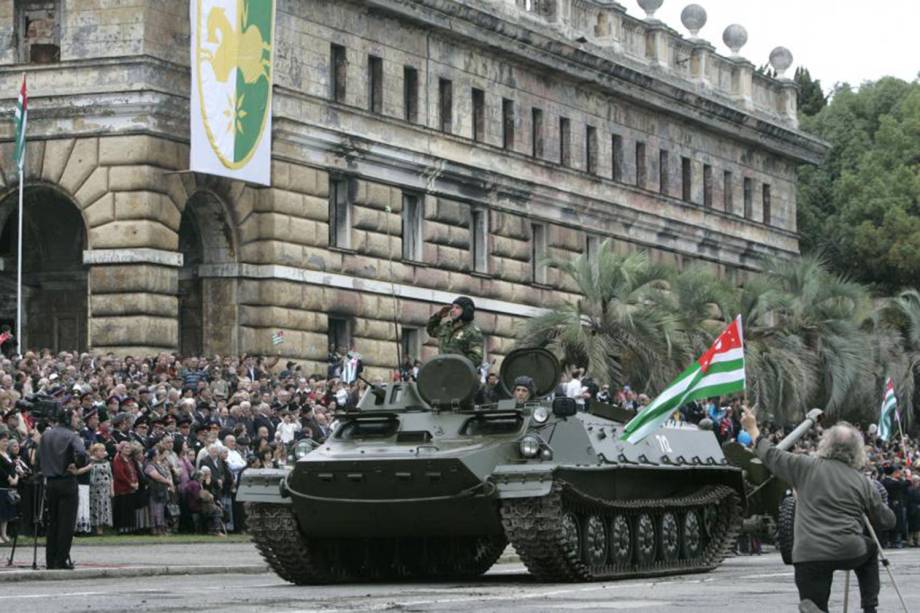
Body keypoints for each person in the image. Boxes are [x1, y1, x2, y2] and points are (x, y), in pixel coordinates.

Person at [740, 408, 895, 613]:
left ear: (826, 444)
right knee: (870, 550)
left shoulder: (804, 466)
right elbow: (887, 521)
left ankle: (815, 608)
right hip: (848, 548)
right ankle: (869, 607)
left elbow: (771, 455)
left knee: (814, 603)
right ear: (857, 451)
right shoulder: (862, 482)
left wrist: (752, 428)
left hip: (808, 554)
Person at [38, 406, 88, 569]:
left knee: (52, 522)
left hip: (50, 482)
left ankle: (50, 560)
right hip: (66, 480)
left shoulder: (46, 434)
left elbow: (38, 456)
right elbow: (81, 453)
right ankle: (61, 559)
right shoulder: (71, 435)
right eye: (74, 417)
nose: (76, 420)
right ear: (68, 419)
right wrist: (77, 464)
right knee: (66, 524)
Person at [425, 296, 484, 366]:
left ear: (467, 310)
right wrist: (438, 316)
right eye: (452, 307)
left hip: (460, 373)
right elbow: (431, 330)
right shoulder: (447, 327)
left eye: (457, 308)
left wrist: (458, 366)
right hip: (443, 370)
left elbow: (476, 358)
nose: (453, 310)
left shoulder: (473, 331)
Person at [87, 443, 113, 535]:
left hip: (105, 488)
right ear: (95, 452)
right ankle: (96, 528)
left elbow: (110, 476)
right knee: (96, 507)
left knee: (104, 507)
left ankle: (103, 527)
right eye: (100, 450)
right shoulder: (90, 462)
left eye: (104, 450)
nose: (103, 452)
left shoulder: (106, 462)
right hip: (94, 488)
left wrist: (111, 489)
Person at [0, 430, 19, 543]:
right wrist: (9, 478)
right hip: (1, 485)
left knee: (5, 513)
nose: (6, 444)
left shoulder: (7, 455)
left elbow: (13, 468)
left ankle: (4, 533)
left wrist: (16, 478)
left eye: (7, 441)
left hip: (9, 487)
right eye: (3, 441)